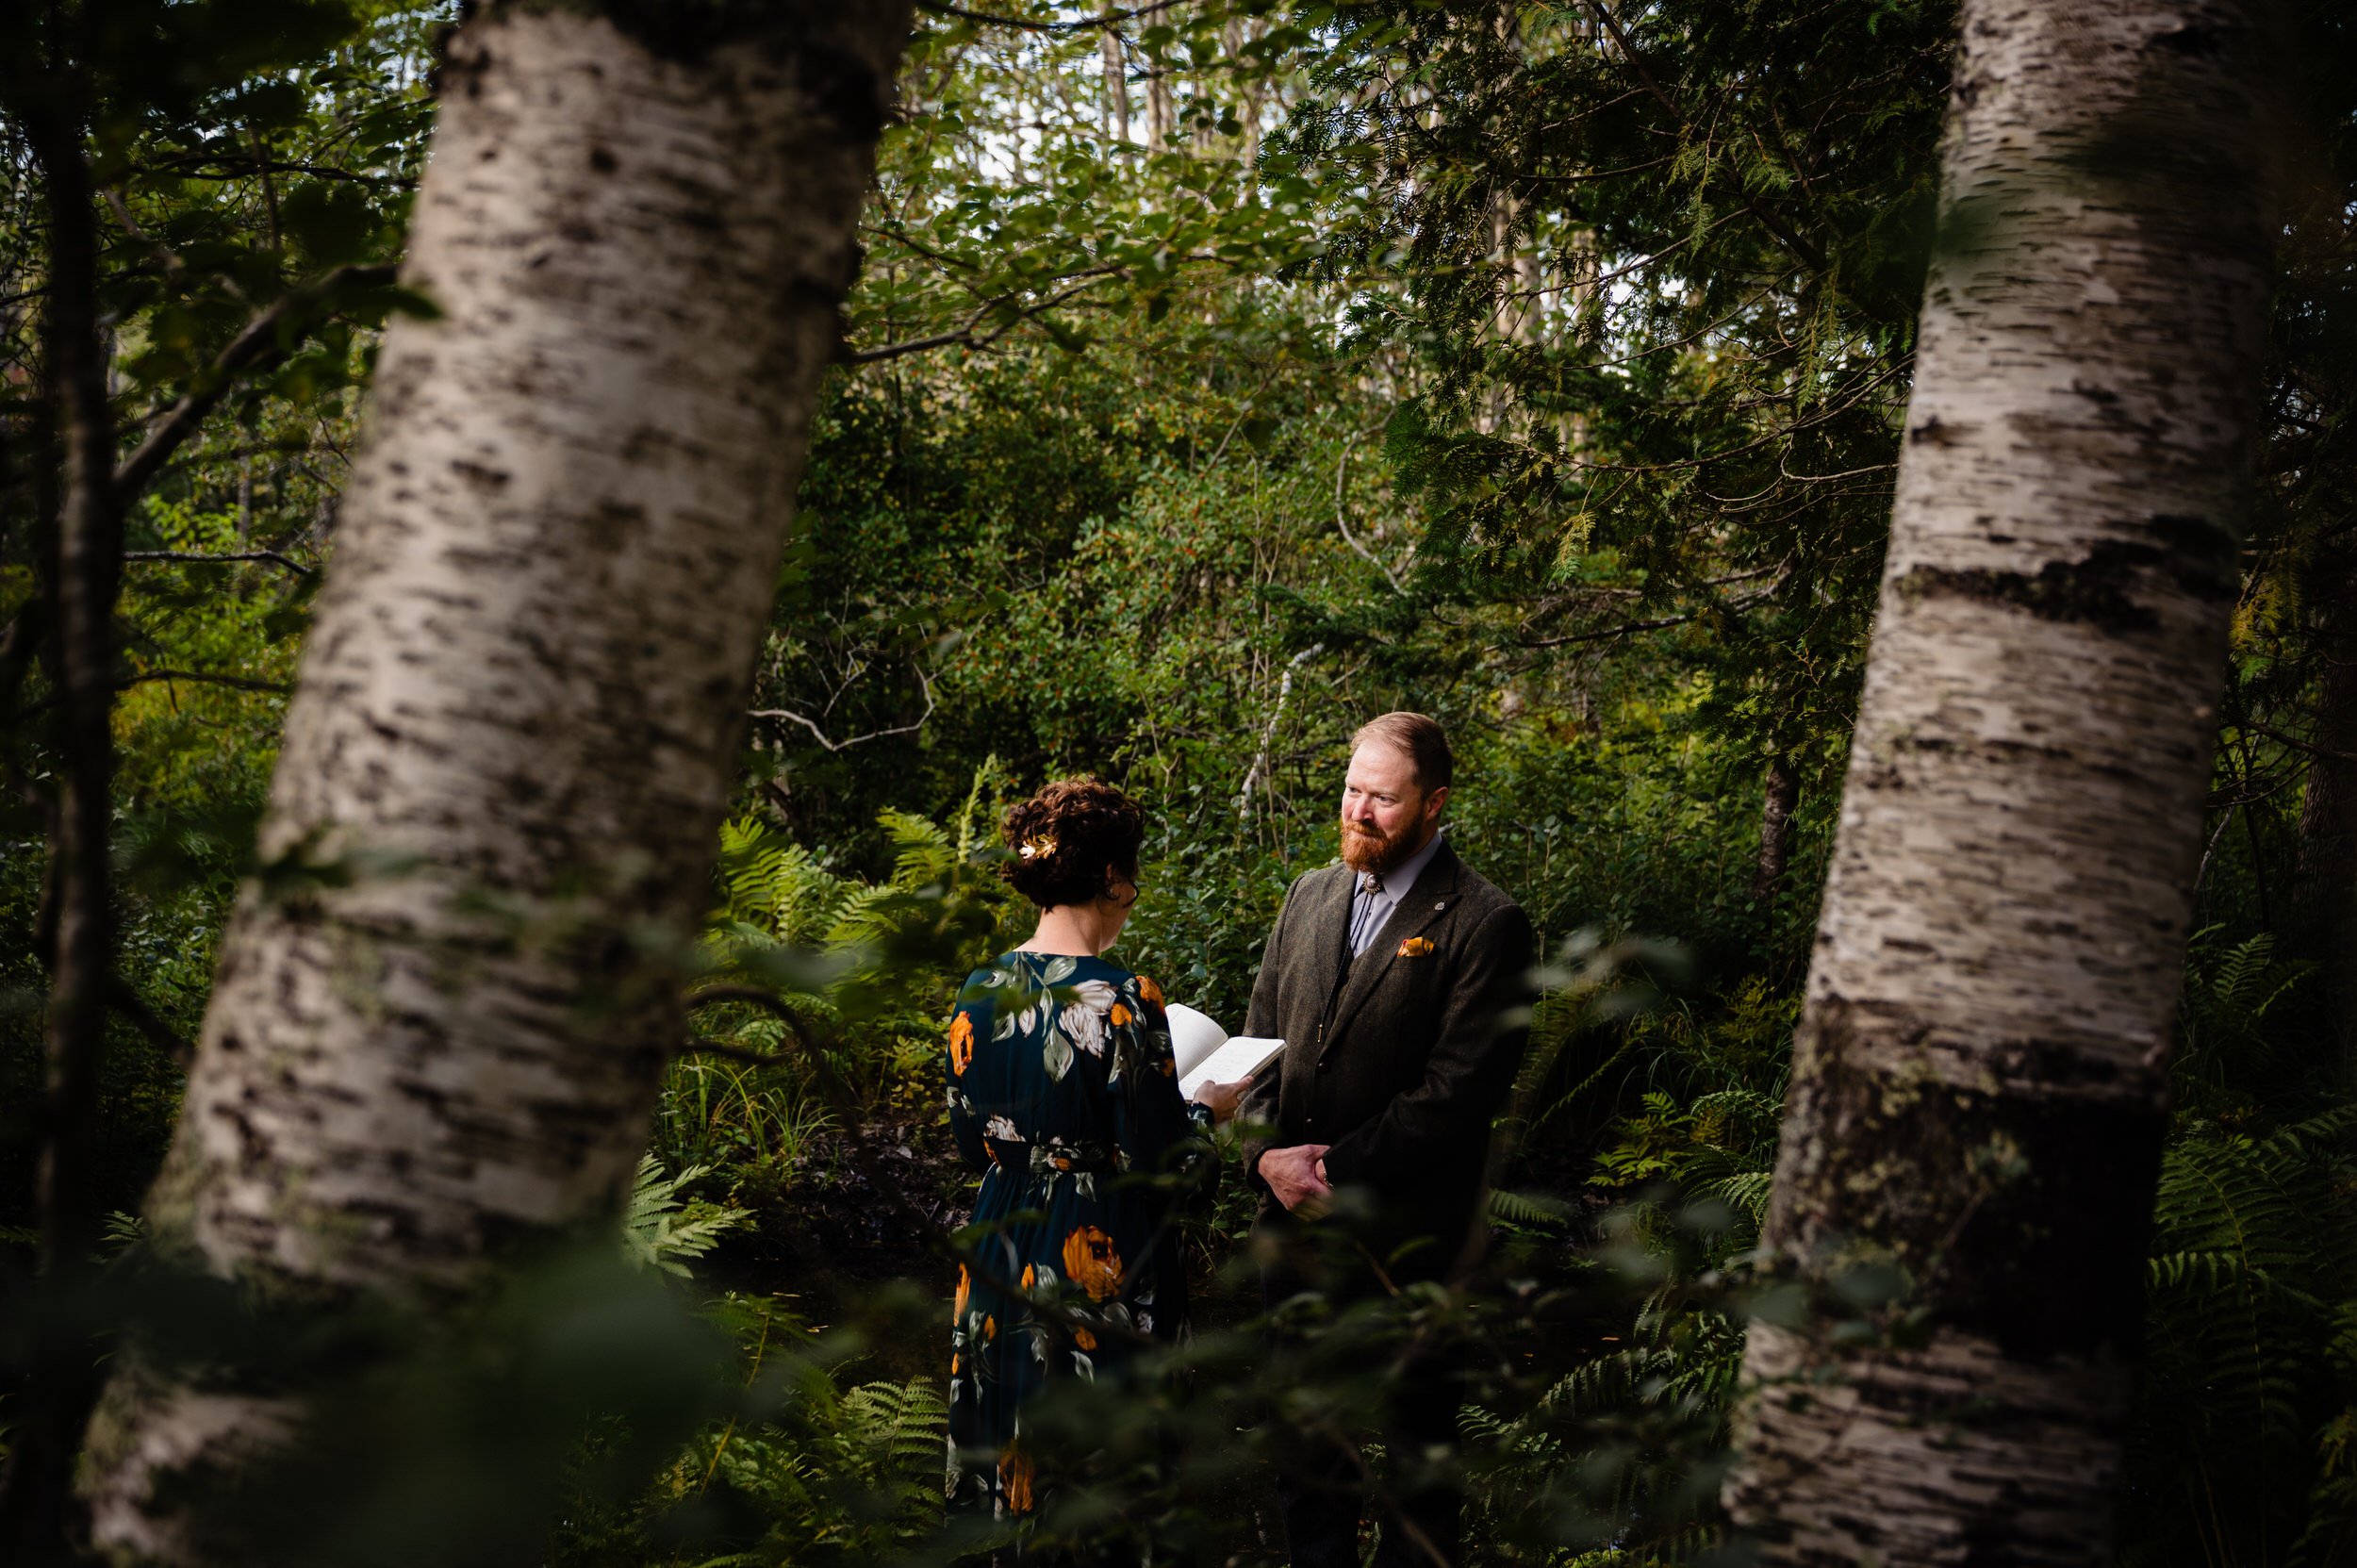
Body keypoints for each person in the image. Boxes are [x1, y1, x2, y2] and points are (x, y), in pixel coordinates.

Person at [1237, 712, 1535, 1568]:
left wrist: (1328, 1168)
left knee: (1416, 1471)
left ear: (1435, 804)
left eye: (1384, 799)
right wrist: (1263, 1156)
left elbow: (1459, 1092)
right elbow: (1261, 1045)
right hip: (1289, 1234)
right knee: (1305, 1457)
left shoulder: (1486, 922)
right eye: (1352, 790)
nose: (1359, 811)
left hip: (1408, 1242)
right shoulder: (1309, 894)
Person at [943, 776, 1251, 1523]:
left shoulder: (978, 990)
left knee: (1009, 1436)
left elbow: (967, 1144)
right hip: (1096, 1250)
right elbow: (1167, 1168)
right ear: (1111, 877)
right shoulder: (1121, 999)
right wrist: (1209, 1111)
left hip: (1000, 1242)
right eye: (1131, 877)